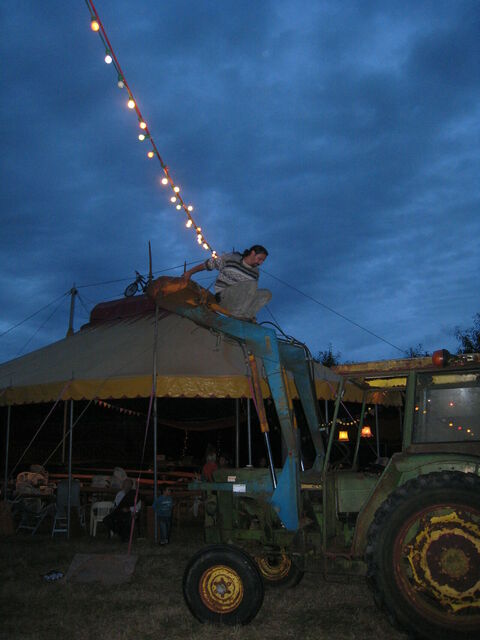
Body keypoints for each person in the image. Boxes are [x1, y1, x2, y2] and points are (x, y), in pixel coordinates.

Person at [182, 245, 271, 320]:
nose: (260, 263)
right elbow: (208, 264)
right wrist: (190, 272)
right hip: (224, 297)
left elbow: (250, 293)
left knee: (266, 294)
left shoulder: (256, 272)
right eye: (259, 259)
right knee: (251, 284)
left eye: (262, 261)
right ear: (252, 253)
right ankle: (237, 316)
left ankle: (246, 317)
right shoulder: (232, 258)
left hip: (240, 302)